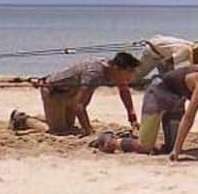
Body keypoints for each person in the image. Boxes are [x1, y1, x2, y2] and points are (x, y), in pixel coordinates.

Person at [90, 63, 198, 160]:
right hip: (157, 94)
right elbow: (189, 117)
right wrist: (177, 153)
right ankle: (109, 140)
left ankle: (142, 139)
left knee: (168, 147)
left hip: (176, 100)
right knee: (144, 147)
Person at [12, 52, 140, 136]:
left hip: (72, 95)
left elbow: (124, 90)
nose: (131, 75)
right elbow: (79, 106)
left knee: (69, 127)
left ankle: (50, 117)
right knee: (57, 131)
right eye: (130, 71)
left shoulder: (114, 71)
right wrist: (88, 131)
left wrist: (132, 118)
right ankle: (22, 119)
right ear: (117, 68)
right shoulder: (94, 74)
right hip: (53, 91)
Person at [133, 34, 198, 84]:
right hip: (152, 52)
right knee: (135, 77)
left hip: (159, 46)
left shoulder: (193, 46)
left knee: (169, 78)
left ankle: (159, 80)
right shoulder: (185, 51)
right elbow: (167, 62)